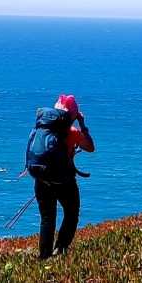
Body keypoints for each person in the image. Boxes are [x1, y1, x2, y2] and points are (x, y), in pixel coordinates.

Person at [28, 94, 94, 259]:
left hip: (41, 178)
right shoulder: (72, 131)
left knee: (47, 218)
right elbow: (90, 147)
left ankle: (44, 256)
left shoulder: (40, 129)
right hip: (64, 180)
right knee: (71, 213)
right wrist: (82, 124)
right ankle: (61, 248)